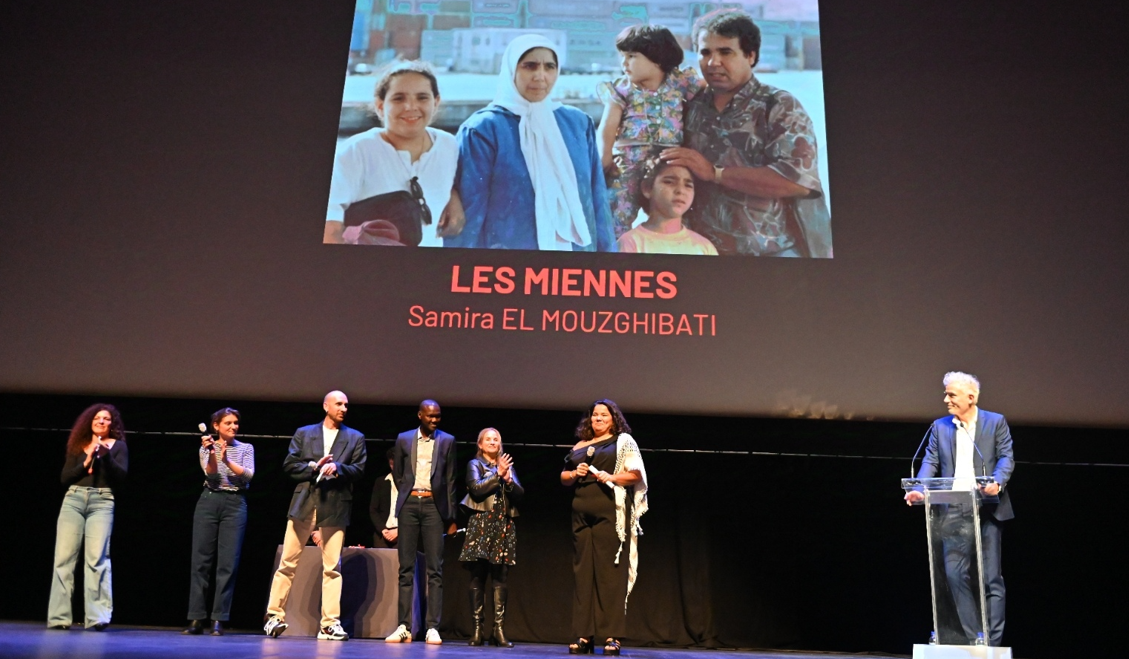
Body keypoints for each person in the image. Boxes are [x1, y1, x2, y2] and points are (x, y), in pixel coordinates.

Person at [663, 9, 832, 257]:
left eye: (725, 52)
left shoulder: (779, 106)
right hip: (699, 251)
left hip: (771, 254)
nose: (713, 62)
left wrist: (715, 173)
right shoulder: (689, 104)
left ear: (750, 56)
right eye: (705, 52)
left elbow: (797, 182)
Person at [451, 34, 616, 251]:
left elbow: (597, 198)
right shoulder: (484, 129)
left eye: (549, 67)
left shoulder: (577, 123)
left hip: (576, 258)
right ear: (512, 70)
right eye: (530, 66)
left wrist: (606, 257)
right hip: (508, 265)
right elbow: (471, 210)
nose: (540, 76)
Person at [905, 372, 1014, 646]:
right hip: (953, 510)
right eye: (946, 394)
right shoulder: (940, 427)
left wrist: (997, 483)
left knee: (991, 579)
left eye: (951, 395)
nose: (946, 400)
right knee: (954, 574)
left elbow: (1005, 458)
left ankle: (993, 642)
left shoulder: (995, 422)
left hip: (987, 508)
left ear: (971, 397)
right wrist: (919, 487)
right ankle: (974, 636)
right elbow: (930, 462)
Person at [263, 391, 367, 641]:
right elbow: (290, 465)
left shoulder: (355, 437)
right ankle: (274, 617)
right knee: (287, 562)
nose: (343, 408)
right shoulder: (305, 433)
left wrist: (338, 468)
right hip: (305, 503)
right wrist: (314, 467)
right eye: (339, 404)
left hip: (335, 505)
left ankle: (329, 624)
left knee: (332, 567)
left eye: (346, 405)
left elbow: (359, 469)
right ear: (326, 406)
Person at [325, 60, 464, 246]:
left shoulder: (449, 145)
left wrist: (453, 196)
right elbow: (330, 226)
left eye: (422, 98)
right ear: (380, 106)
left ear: (436, 102)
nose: (410, 107)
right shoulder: (357, 150)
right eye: (399, 98)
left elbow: (445, 180)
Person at [597, 25, 704, 237]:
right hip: (629, 160)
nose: (624, 63)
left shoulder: (679, 83)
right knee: (618, 210)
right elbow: (607, 127)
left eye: (632, 56)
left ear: (657, 58)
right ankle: (613, 252)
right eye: (623, 56)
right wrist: (604, 158)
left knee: (673, 209)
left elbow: (709, 91)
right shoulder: (622, 89)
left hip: (668, 160)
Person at [560, 400, 648, 656]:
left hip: (610, 511)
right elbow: (563, 477)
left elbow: (636, 475)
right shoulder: (579, 446)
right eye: (594, 415)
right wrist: (575, 473)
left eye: (603, 415)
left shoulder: (623, 441)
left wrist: (611, 476)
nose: (598, 419)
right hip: (580, 514)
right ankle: (584, 635)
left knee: (610, 575)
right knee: (583, 574)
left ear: (613, 419)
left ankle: (612, 636)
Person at [47, 404, 129, 631]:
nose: (102, 421)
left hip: (102, 502)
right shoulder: (77, 445)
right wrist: (85, 462)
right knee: (63, 559)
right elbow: (65, 478)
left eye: (106, 419)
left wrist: (105, 457)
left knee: (97, 559)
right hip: (73, 500)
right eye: (97, 418)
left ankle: (98, 617)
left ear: (112, 424)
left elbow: (121, 477)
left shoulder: (119, 446)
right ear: (89, 422)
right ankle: (59, 617)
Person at [385, 400, 457, 645]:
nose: (434, 420)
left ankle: (432, 627)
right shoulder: (404, 439)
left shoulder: (447, 440)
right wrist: (407, 494)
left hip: (433, 506)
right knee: (405, 567)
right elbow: (399, 473)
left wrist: (451, 517)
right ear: (420, 416)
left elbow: (450, 480)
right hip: (409, 504)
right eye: (430, 416)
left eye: (437, 416)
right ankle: (404, 625)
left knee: (434, 569)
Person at [183, 407, 255, 636]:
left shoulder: (246, 448)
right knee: (201, 562)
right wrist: (214, 455)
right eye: (228, 423)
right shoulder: (206, 447)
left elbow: (248, 475)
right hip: (209, 502)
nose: (233, 427)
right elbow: (211, 475)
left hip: (235, 504)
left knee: (227, 564)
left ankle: (218, 619)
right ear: (216, 426)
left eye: (236, 423)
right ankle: (195, 619)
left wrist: (227, 459)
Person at [459, 428, 524, 647]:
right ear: (480, 444)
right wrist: (498, 474)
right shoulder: (474, 465)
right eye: (488, 439)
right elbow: (476, 490)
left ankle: (498, 631)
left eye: (496, 439)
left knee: (500, 577)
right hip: (481, 524)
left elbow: (519, 494)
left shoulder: (507, 466)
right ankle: (477, 630)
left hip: (503, 525)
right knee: (478, 576)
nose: (493, 442)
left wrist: (507, 479)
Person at [616, 153, 717, 255]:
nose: (680, 190)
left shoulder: (704, 247)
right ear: (647, 188)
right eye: (669, 182)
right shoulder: (630, 242)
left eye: (688, 185)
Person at [369, 448, 399, 549]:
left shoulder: (410, 484)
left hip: (403, 534)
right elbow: (373, 510)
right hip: (382, 534)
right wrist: (383, 529)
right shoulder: (381, 482)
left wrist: (399, 530)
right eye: (391, 465)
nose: (394, 468)